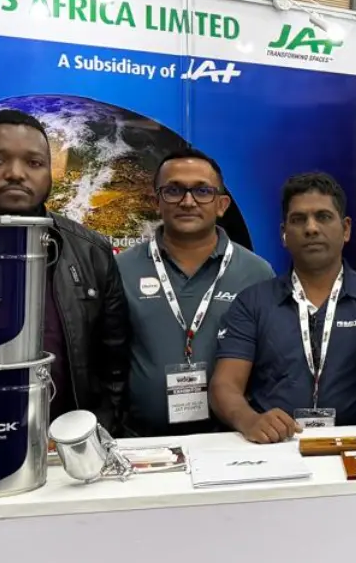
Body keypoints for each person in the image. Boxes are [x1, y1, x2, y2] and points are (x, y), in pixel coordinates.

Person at [0, 109, 129, 433]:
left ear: (50, 174)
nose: (15, 173)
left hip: (61, 445)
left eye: (34, 163)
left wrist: (97, 431)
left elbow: (114, 365)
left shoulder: (91, 251)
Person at [210, 172, 356, 441]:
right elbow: (224, 385)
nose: (311, 228)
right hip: (275, 447)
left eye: (323, 217)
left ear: (346, 229)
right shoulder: (253, 302)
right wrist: (249, 420)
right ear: (284, 234)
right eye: (298, 219)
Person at [117, 148, 273, 436]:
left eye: (202, 191)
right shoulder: (120, 269)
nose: (188, 202)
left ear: (222, 204)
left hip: (232, 440)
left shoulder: (257, 273)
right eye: (174, 190)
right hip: (141, 443)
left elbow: (269, 362)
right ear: (155, 201)